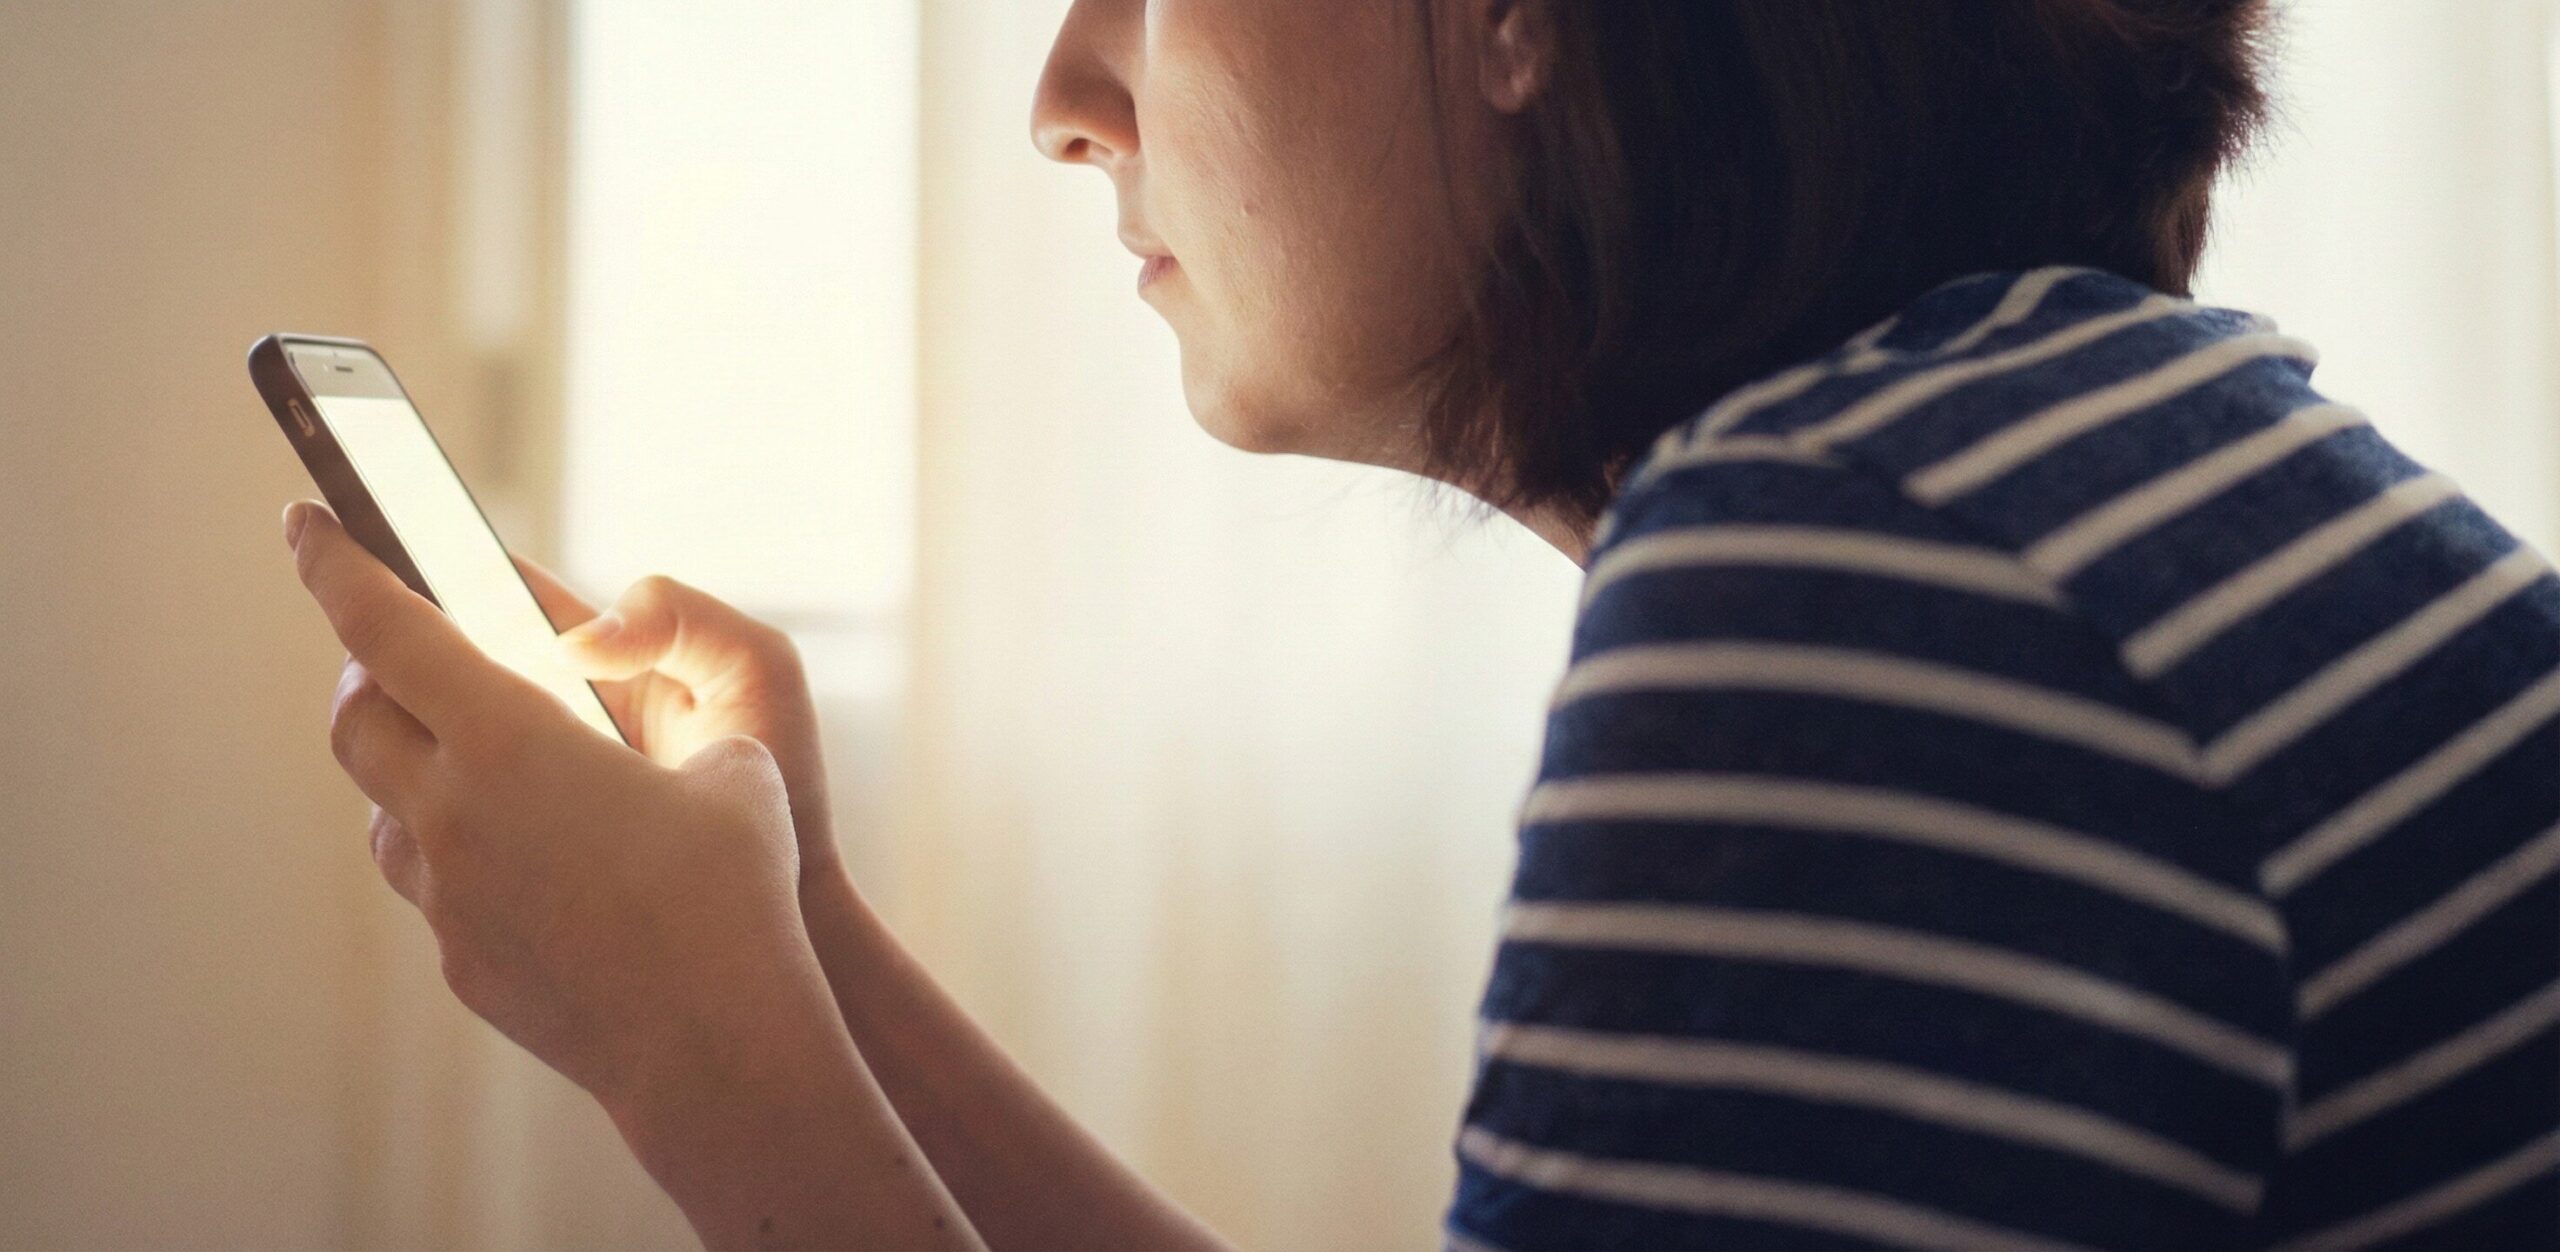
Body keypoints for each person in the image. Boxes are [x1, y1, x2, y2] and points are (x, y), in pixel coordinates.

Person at [282, 0, 2560, 1247]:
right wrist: (808, 942)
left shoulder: (1867, 585)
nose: (1068, 97)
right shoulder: (2068, 458)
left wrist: (707, 1063)